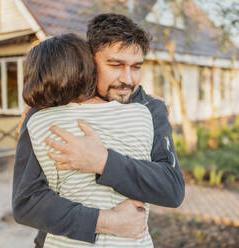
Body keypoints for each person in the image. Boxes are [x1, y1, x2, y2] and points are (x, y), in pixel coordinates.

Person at [12, 13, 185, 248]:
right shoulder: (50, 106)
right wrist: (106, 221)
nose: (127, 79)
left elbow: (171, 189)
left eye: (136, 67)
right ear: (90, 61)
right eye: (115, 65)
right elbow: (27, 203)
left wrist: (103, 162)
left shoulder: (151, 109)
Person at [24, 33, 154, 247]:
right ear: (89, 69)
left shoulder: (37, 123)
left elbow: (31, 199)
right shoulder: (141, 114)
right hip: (133, 241)